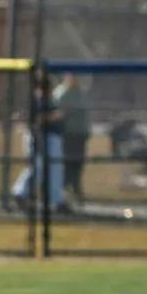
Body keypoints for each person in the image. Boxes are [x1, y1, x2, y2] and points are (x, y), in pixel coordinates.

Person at [7, 74, 67, 212]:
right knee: (40, 168)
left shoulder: (49, 100)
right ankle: (21, 194)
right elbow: (30, 119)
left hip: (49, 137)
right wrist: (50, 117)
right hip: (41, 137)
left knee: (50, 169)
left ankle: (56, 200)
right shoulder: (37, 101)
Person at [59, 73, 90, 209]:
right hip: (68, 136)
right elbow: (60, 114)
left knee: (77, 167)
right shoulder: (62, 93)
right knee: (67, 167)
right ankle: (65, 198)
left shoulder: (81, 94)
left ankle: (77, 194)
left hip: (80, 136)